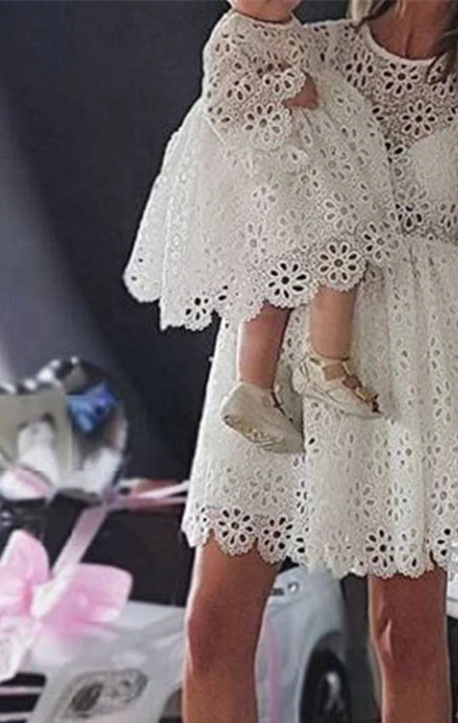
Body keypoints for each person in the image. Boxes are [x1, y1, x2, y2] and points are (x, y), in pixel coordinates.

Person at [176, 0, 458, 723]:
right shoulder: (309, 50)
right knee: (214, 629)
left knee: (406, 640)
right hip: (282, 354)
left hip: (417, 369)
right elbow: (228, 142)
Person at [124, 0, 390, 455]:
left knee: (325, 261)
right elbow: (224, 103)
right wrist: (289, 86)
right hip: (258, 172)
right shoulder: (232, 35)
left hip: (298, 165)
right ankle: (271, 381)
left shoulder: (291, 28)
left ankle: (294, 374)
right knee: (287, 277)